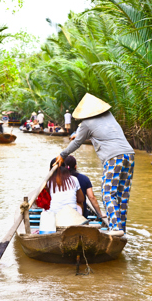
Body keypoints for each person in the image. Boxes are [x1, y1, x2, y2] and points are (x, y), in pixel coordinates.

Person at [55, 93, 135, 236]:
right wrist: (79, 134)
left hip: (113, 158)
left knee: (107, 193)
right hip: (129, 155)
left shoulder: (86, 123)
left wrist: (62, 155)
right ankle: (122, 229)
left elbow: (78, 142)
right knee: (122, 194)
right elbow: (99, 130)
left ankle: (116, 228)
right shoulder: (109, 115)